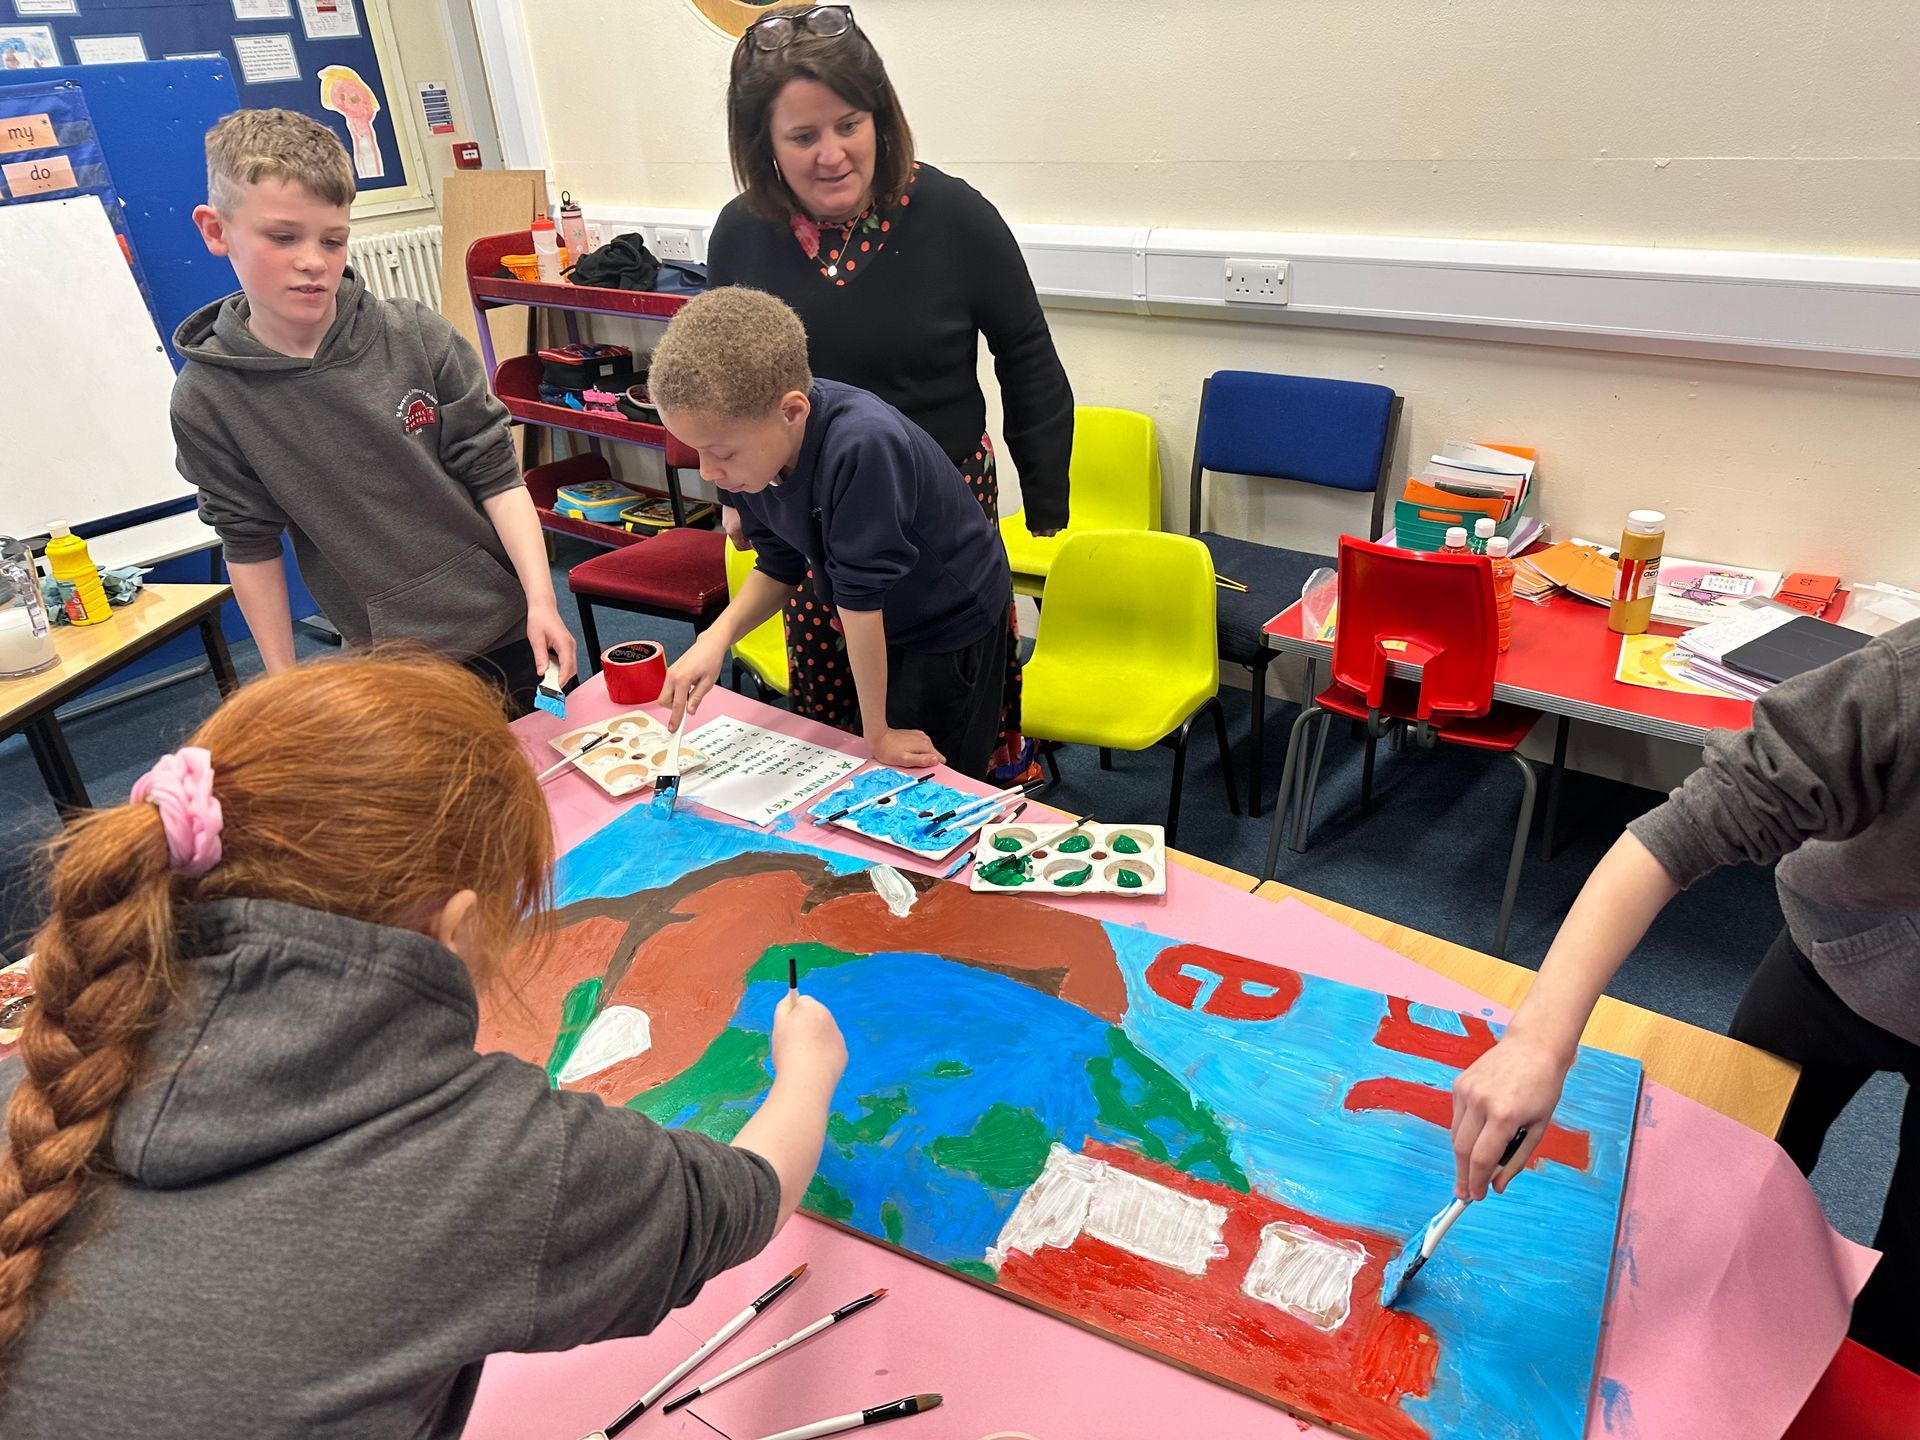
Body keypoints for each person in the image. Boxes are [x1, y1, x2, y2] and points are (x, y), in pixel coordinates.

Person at [0, 655, 847, 1437]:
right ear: (456, 928)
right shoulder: (499, 1158)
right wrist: (806, 1074)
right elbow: (736, 1201)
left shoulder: (60, 1065)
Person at [1451, 619, 1920, 1368]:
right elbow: (1680, 831)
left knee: (1903, 1318)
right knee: (1732, 1176)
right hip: (1834, 963)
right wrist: (1537, 1041)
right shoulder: (1903, 682)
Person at [707, 4, 1074, 779]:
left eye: (850, 125)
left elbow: (1026, 352)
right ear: (764, 146)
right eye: (802, 137)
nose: (833, 154)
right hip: (813, 511)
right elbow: (723, 384)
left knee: (940, 724)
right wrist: (736, 494)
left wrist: (1046, 492)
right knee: (839, 726)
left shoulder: (955, 216)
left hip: (940, 512)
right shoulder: (740, 234)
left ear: (880, 116)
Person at [171, 108, 574, 716]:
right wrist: (283, 683)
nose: (314, 261)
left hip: (511, 625)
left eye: (333, 240)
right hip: (392, 664)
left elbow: (498, 477)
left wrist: (543, 600)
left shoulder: (417, 337)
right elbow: (248, 542)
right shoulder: (208, 399)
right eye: (283, 237)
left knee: (558, 763)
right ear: (215, 230)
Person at [652, 288, 1015, 780]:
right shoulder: (751, 458)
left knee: (934, 778)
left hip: (949, 617)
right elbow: (779, 568)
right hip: (882, 614)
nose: (708, 472)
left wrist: (879, 732)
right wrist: (716, 638)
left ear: (792, 411)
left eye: (722, 453)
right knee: (876, 759)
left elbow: (861, 601)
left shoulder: (863, 445)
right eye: (697, 451)